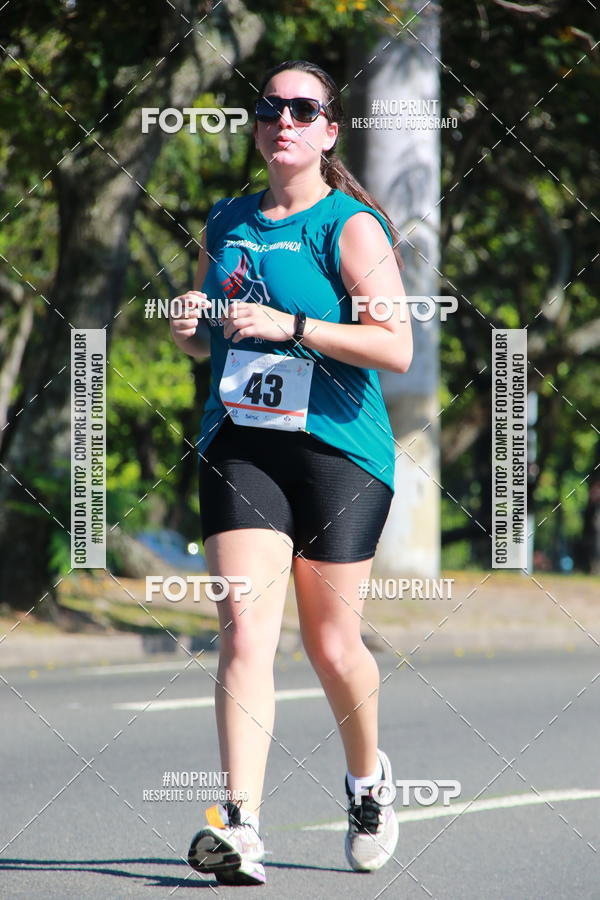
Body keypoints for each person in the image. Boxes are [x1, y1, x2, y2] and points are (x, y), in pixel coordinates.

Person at [169, 58, 413, 887]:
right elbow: (215, 333)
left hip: (340, 450)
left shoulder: (350, 226)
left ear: (328, 130)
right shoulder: (228, 217)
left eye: (303, 109)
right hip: (241, 442)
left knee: (332, 642)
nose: (284, 120)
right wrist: (193, 328)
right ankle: (239, 828)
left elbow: (396, 347)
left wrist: (294, 323)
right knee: (244, 631)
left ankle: (368, 783)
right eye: (270, 107)